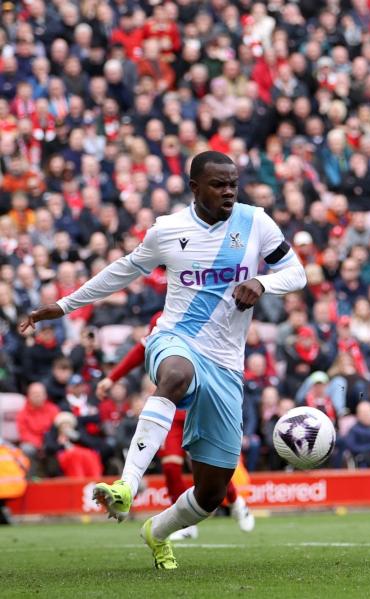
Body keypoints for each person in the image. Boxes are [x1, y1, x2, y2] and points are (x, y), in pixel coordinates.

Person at [20, 151, 306, 569]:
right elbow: (122, 270)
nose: (228, 191)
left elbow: (296, 272)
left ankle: (157, 531)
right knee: (176, 373)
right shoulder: (168, 231)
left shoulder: (255, 222)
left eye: (233, 184)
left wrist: (263, 281)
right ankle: (126, 485)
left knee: (211, 493)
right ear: (195, 187)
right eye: (218, 184)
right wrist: (64, 306)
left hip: (226, 363)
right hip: (175, 339)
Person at [97, 311, 255, 541]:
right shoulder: (161, 318)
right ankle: (183, 525)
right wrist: (112, 377)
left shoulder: (210, 310)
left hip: (200, 406)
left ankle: (236, 502)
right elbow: (141, 350)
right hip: (172, 409)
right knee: (171, 467)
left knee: (206, 469)